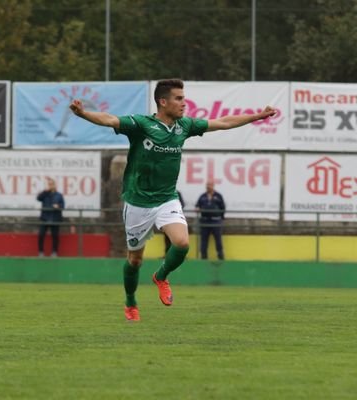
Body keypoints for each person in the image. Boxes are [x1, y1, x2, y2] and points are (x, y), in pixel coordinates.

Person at [69, 78, 276, 321]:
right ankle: (130, 301)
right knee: (135, 260)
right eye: (178, 99)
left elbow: (221, 122)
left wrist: (256, 116)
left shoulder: (184, 126)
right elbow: (110, 119)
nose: (184, 104)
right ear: (163, 101)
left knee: (182, 243)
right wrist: (83, 114)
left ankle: (161, 276)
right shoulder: (141, 124)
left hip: (167, 199)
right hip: (138, 202)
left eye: (184, 98)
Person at [196, 180, 226, 260]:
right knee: (204, 240)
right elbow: (197, 205)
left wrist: (221, 218)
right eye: (207, 185)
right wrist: (197, 208)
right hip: (205, 221)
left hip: (216, 221)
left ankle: (220, 257)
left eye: (210, 185)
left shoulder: (218, 196)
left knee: (218, 240)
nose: (208, 186)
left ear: (213, 186)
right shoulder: (202, 196)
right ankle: (203, 258)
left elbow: (223, 208)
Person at [37, 178, 65, 257]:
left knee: (55, 236)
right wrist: (46, 191)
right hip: (45, 218)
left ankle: (54, 252)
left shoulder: (59, 195)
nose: (50, 185)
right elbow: (38, 198)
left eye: (52, 184)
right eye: (49, 184)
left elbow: (63, 206)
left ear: (55, 185)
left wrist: (58, 206)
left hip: (55, 218)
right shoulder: (44, 194)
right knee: (41, 235)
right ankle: (41, 252)